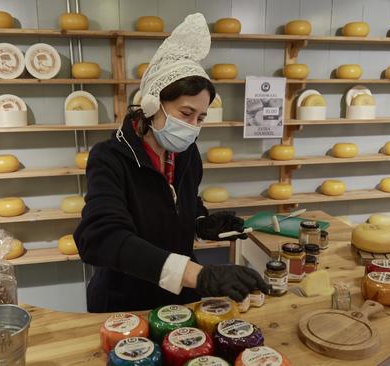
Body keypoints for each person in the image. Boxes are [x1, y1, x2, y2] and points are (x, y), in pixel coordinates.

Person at [74, 13, 268, 312]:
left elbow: (177, 203)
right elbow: (100, 238)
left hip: (179, 298)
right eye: (185, 113)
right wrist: (200, 275)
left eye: (200, 118)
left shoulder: (186, 153)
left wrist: (201, 222)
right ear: (152, 104)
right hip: (126, 302)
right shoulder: (109, 157)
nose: (193, 126)